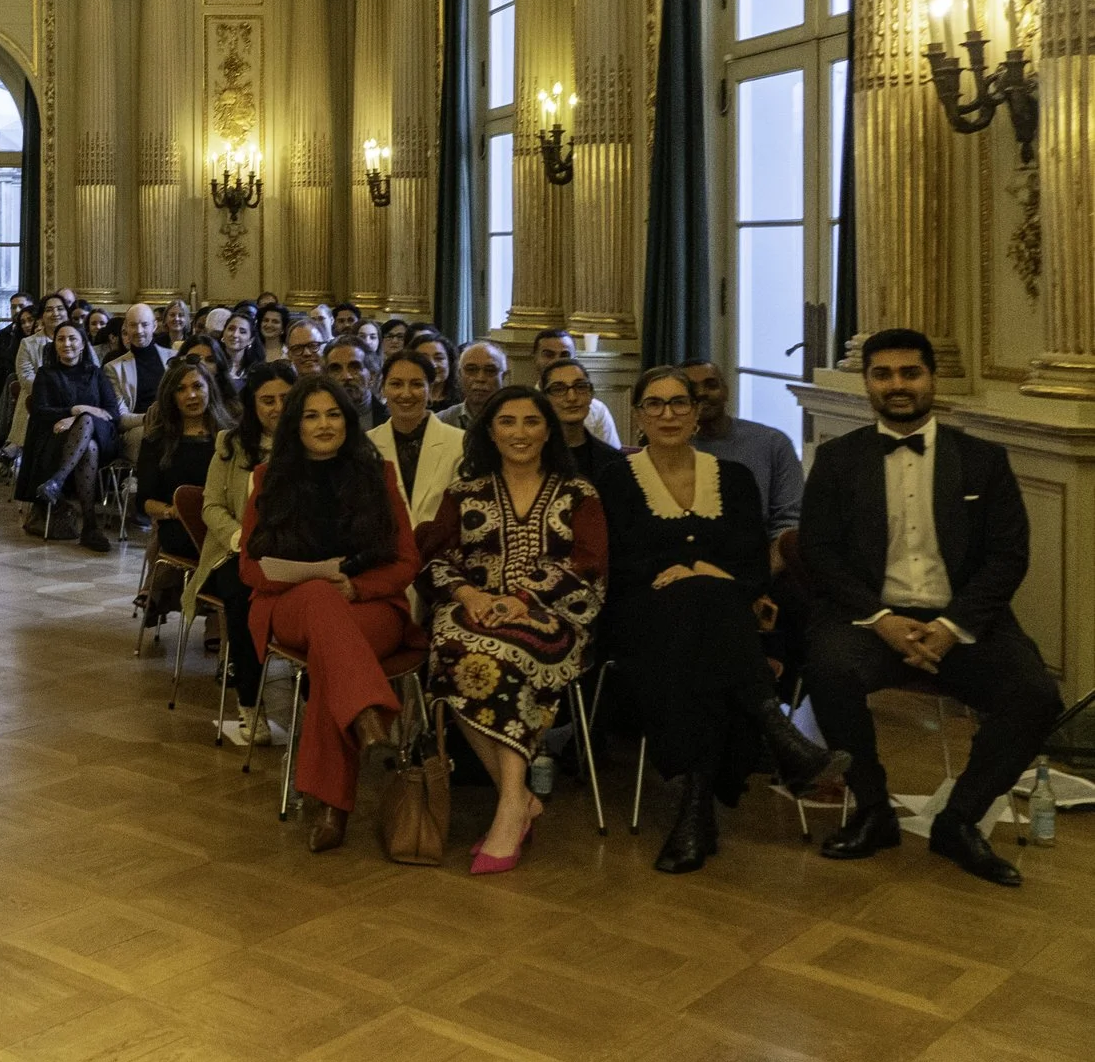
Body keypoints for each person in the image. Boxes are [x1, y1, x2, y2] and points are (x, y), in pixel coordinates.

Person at [798, 329, 1063, 887]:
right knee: (828, 668)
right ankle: (872, 809)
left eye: (909, 373)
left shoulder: (982, 460)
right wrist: (882, 620)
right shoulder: (838, 460)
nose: (897, 386)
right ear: (867, 382)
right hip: (872, 619)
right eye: (883, 374)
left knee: (1034, 694)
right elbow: (820, 554)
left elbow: (1008, 556)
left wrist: (951, 625)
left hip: (963, 619)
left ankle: (960, 819)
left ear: (930, 379)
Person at [606, 368, 848, 874]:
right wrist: (698, 575)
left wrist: (709, 576)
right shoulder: (613, 480)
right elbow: (616, 562)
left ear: (697, 414)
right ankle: (772, 725)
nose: (668, 414)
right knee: (704, 605)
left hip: (719, 619)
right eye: (655, 404)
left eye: (679, 404)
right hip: (642, 616)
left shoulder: (732, 479)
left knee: (705, 629)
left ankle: (695, 811)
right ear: (637, 416)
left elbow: (753, 563)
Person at [419, 386, 608, 873]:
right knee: (456, 649)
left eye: (531, 421)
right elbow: (435, 556)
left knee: (496, 656)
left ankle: (510, 807)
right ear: (489, 430)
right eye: (507, 422)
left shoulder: (578, 492)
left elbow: (589, 563)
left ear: (548, 430)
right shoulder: (465, 492)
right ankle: (517, 797)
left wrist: (521, 601)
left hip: (553, 613)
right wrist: (471, 596)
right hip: (471, 608)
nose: (520, 432)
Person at [237, 375, 422, 852]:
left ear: (349, 419)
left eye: (333, 414)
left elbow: (406, 561)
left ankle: (332, 806)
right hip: (290, 603)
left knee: (332, 656)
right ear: (294, 426)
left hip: (368, 605)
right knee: (321, 601)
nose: (324, 425)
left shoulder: (375, 475)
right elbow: (249, 567)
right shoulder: (267, 476)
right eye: (312, 416)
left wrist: (356, 587)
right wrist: (305, 579)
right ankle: (365, 711)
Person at [201, 364, 298, 745]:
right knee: (245, 598)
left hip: (294, 556)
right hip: (235, 553)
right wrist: (240, 537)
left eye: (286, 399)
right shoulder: (230, 443)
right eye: (267, 400)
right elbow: (211, 506)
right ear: (252, 404)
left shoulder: (313, 442)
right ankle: (249, 705)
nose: (277, 407)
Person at [137, 358, 233, 628]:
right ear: (171, 396)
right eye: (181, 389)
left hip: (223, 525)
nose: (191, 395)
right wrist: (172, 511)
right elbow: (145, 501)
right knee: (219, 548)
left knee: (229, 543)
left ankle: (169, 593)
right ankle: (216, 616)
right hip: (179, 525)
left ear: (209, 389)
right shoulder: (156, 441)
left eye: (197, 386)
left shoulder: (229, 437)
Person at [14, 320, 122, 553]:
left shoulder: (96, 373)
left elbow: (112, 412)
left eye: (72, 338)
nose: (67, 344)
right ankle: (90, 527)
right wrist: (75, 411)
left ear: (83, 344)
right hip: (58, 440)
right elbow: (41, 411)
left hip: (104, 439)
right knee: (88, 448)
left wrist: (78, 415)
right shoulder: (46, 373)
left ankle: (58, 481)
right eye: (61, 339)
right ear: (55, 345)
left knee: (89, 429)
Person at [683, 359, 805, 543]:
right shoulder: (671, 448)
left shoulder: (773, 443)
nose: (701, 393)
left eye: (711, 385)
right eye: (692, 389)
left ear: (726, 391)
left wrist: (765, 568)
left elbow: (790, 522)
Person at [368, 349, 463, 529]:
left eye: (416, 384)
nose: (406, 393)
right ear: (383, 389)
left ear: (430, 390)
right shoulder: (367, 445)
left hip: (442, 549)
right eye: (396, 384)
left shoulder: (458, 444)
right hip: (386, 550)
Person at [104, 303, 174, 467]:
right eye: (133, 325)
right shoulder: (113, 368)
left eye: (144, 324)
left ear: (154, 326)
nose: (139, 330)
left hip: (174, 423)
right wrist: (154, 418)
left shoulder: (174, 358)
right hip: (139, 427)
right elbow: (121, 418)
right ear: (126, 328)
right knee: (151, 435)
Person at [541, 356, 623, 485]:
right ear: (544, 399)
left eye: (580, 387)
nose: (572, 397)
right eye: (558, 389)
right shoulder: (532, 456)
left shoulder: (613, 462)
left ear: (591, 395)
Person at [533, 328, 620, 445]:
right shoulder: (525, 407)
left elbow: (611, 456)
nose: (556, 361)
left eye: (565, 355)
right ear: (535, 358)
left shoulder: (597, 410)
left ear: (575, 358)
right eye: (549, 355)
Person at [0, 293, 34, 473]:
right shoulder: (2, 336)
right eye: (13, 307)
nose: (16, 311)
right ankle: (2, 445)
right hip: (6, 383)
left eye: (21, 306)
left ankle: (12, 448)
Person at [435, 340, 509, 428]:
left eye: (490, 370)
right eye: (471, 370)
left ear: (503, 376)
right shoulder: (441, 422)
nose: (480, 378)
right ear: (459, 375)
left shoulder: (519, 418)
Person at [324, 335, 384, 427]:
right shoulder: (315, 422)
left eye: (355, 368)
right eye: (336, 369)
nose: (346, 376)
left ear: (372, 376)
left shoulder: (392, 420)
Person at [410, 330, 460, 410]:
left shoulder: (463, 402)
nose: (432, 365)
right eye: (424, 358)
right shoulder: (403, 400)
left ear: (450, 362)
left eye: (439, 358)